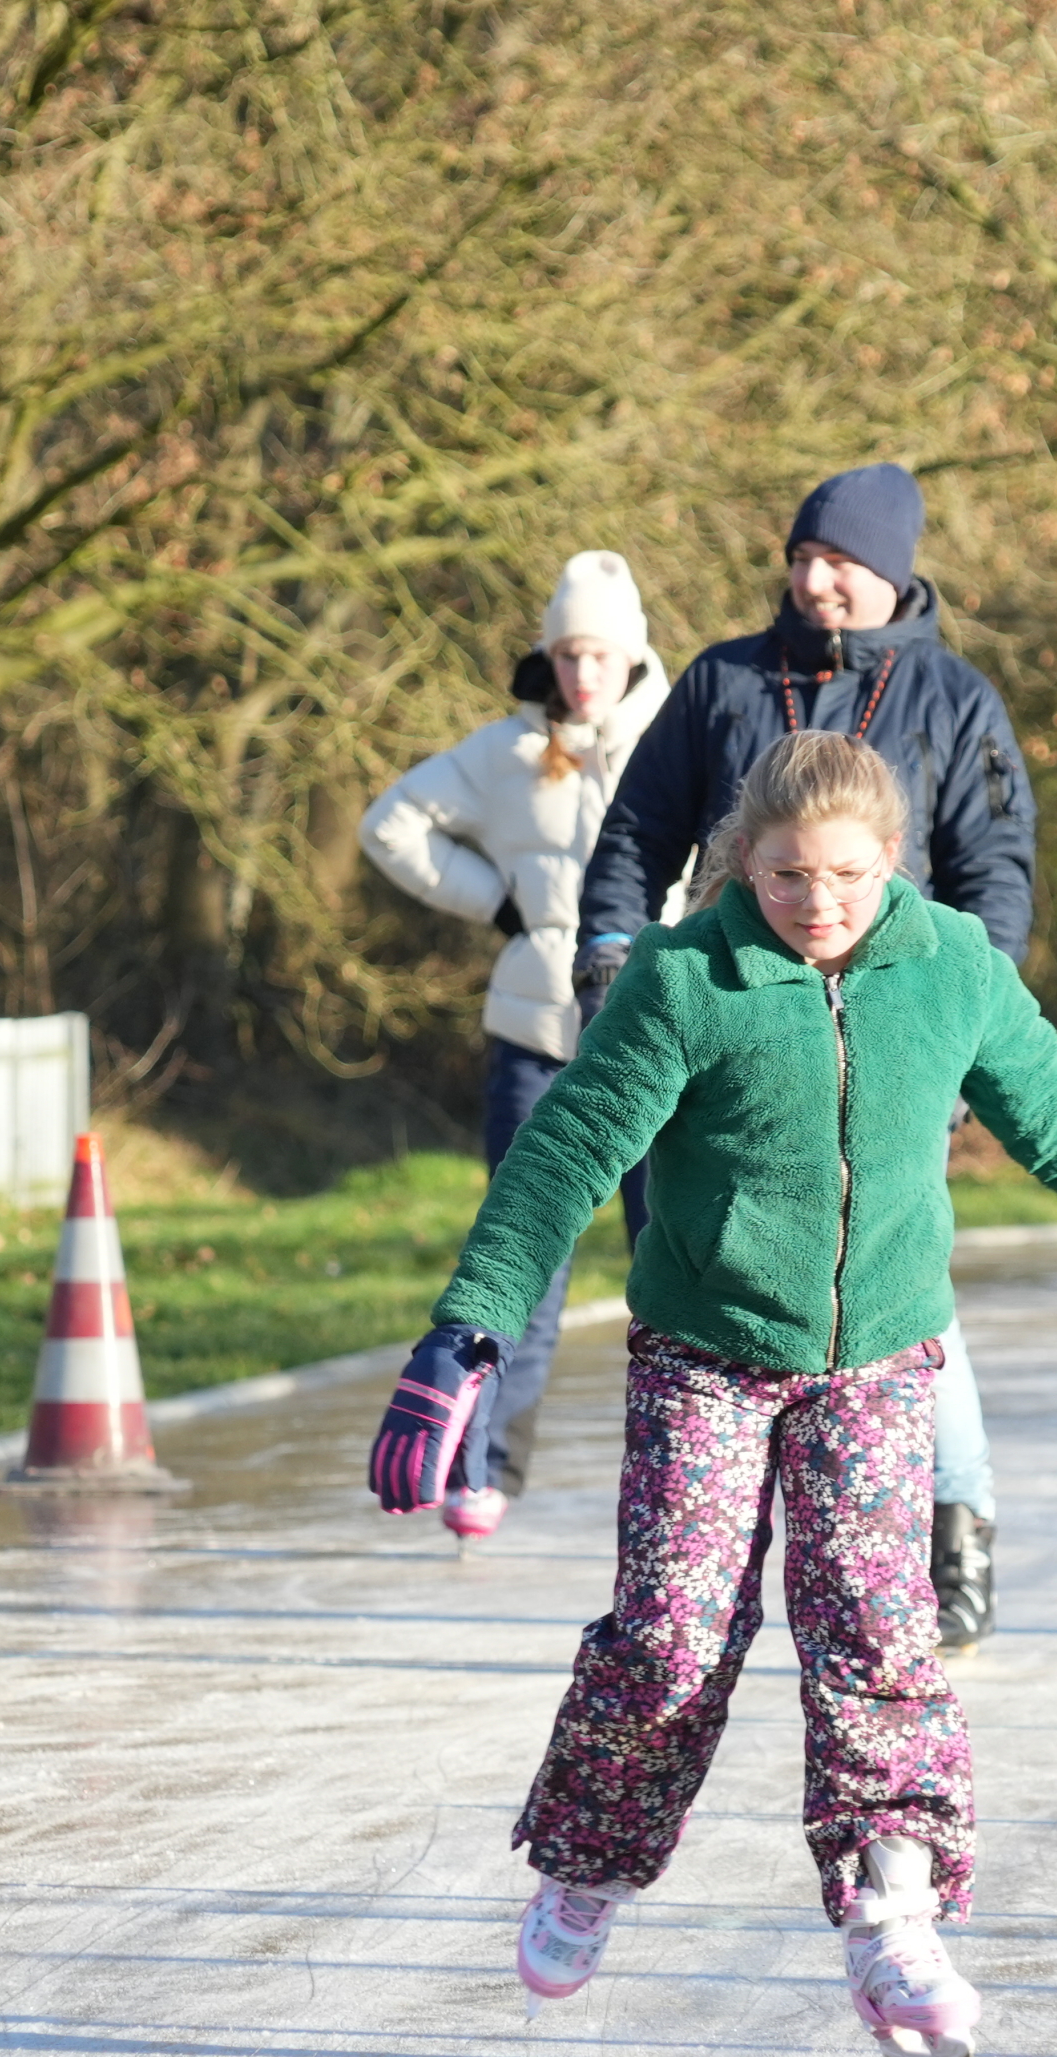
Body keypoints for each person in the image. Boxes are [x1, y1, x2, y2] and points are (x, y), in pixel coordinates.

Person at [376, 731, 1057, 2057]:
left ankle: (896, 1912)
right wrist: (467, 1324)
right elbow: (564, 1153)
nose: (818, 899)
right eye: (786, 872)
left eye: (845, 872)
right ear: (743, 861)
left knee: (878, 1627)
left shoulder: (952, 965)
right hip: (708, 1348)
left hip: (879, 1357)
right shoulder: (683, 980)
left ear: (892, 861)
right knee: (670, 1631)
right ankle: (588, 1862)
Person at [573, 463, 1033, 1652]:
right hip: (736, 1019)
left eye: (848, 561)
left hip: (893, 1023)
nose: (821, 578)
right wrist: (612, 953)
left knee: (889, 1271)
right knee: (721, 1255)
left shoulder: (954, 697)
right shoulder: (724, 681)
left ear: (896, 573)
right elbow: (636, 829)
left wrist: (973, 1016)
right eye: (806, 555)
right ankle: (711, 1543)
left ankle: (955, 1518)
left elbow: (995, 868)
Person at [358, 552, 671, 1540]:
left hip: (659, 1043)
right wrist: (497, 902)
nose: (583, 673)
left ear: (633, 656)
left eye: (601, 654)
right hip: (538, 1039)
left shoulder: (681, 735)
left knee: (672, 1262)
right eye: (567, 652)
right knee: (522, 1257)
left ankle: (683, 1471)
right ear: (547, 652)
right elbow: (390, 822)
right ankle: (483, 1470)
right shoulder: (501, 753)